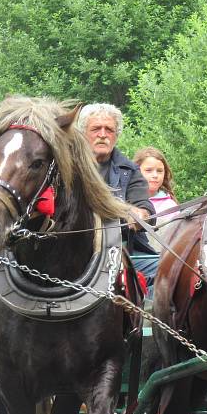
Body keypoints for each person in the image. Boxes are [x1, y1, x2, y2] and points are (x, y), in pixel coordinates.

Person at [77, 103, 158, 286]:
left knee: (169, 268)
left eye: (109, 130)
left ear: (116, 135)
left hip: (123, 251)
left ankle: (147, 314)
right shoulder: (67, 168)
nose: (103, 135)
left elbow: (146, 211)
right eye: (96, 129)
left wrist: (139, 215)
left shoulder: (130, 170)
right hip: (73, 252)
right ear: (82, 134)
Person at [133, 147, 178, 252]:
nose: (155, 175)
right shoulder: (127, 202)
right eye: (148, 170)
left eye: (159, 171)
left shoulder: (170, 206)